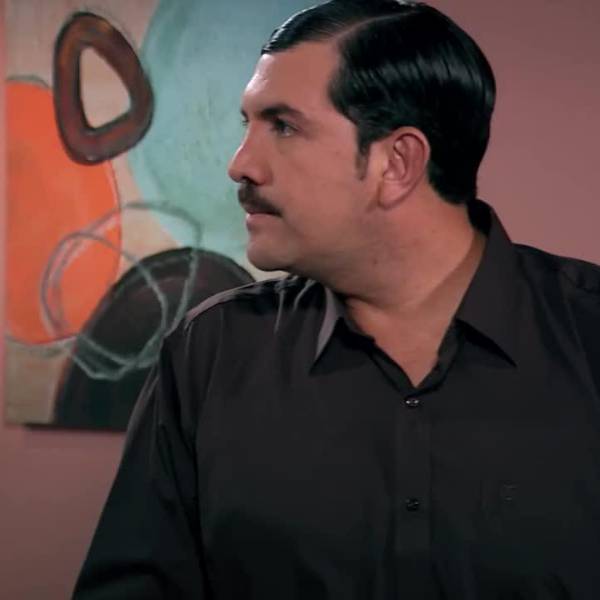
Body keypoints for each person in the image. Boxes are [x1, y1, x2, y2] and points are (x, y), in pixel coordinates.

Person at [72, 1, 600, 598]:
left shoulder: (589, 334)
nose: (240, 165)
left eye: (283, 126)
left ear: (397, 163)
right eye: (247, 124)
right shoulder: (208, 355)